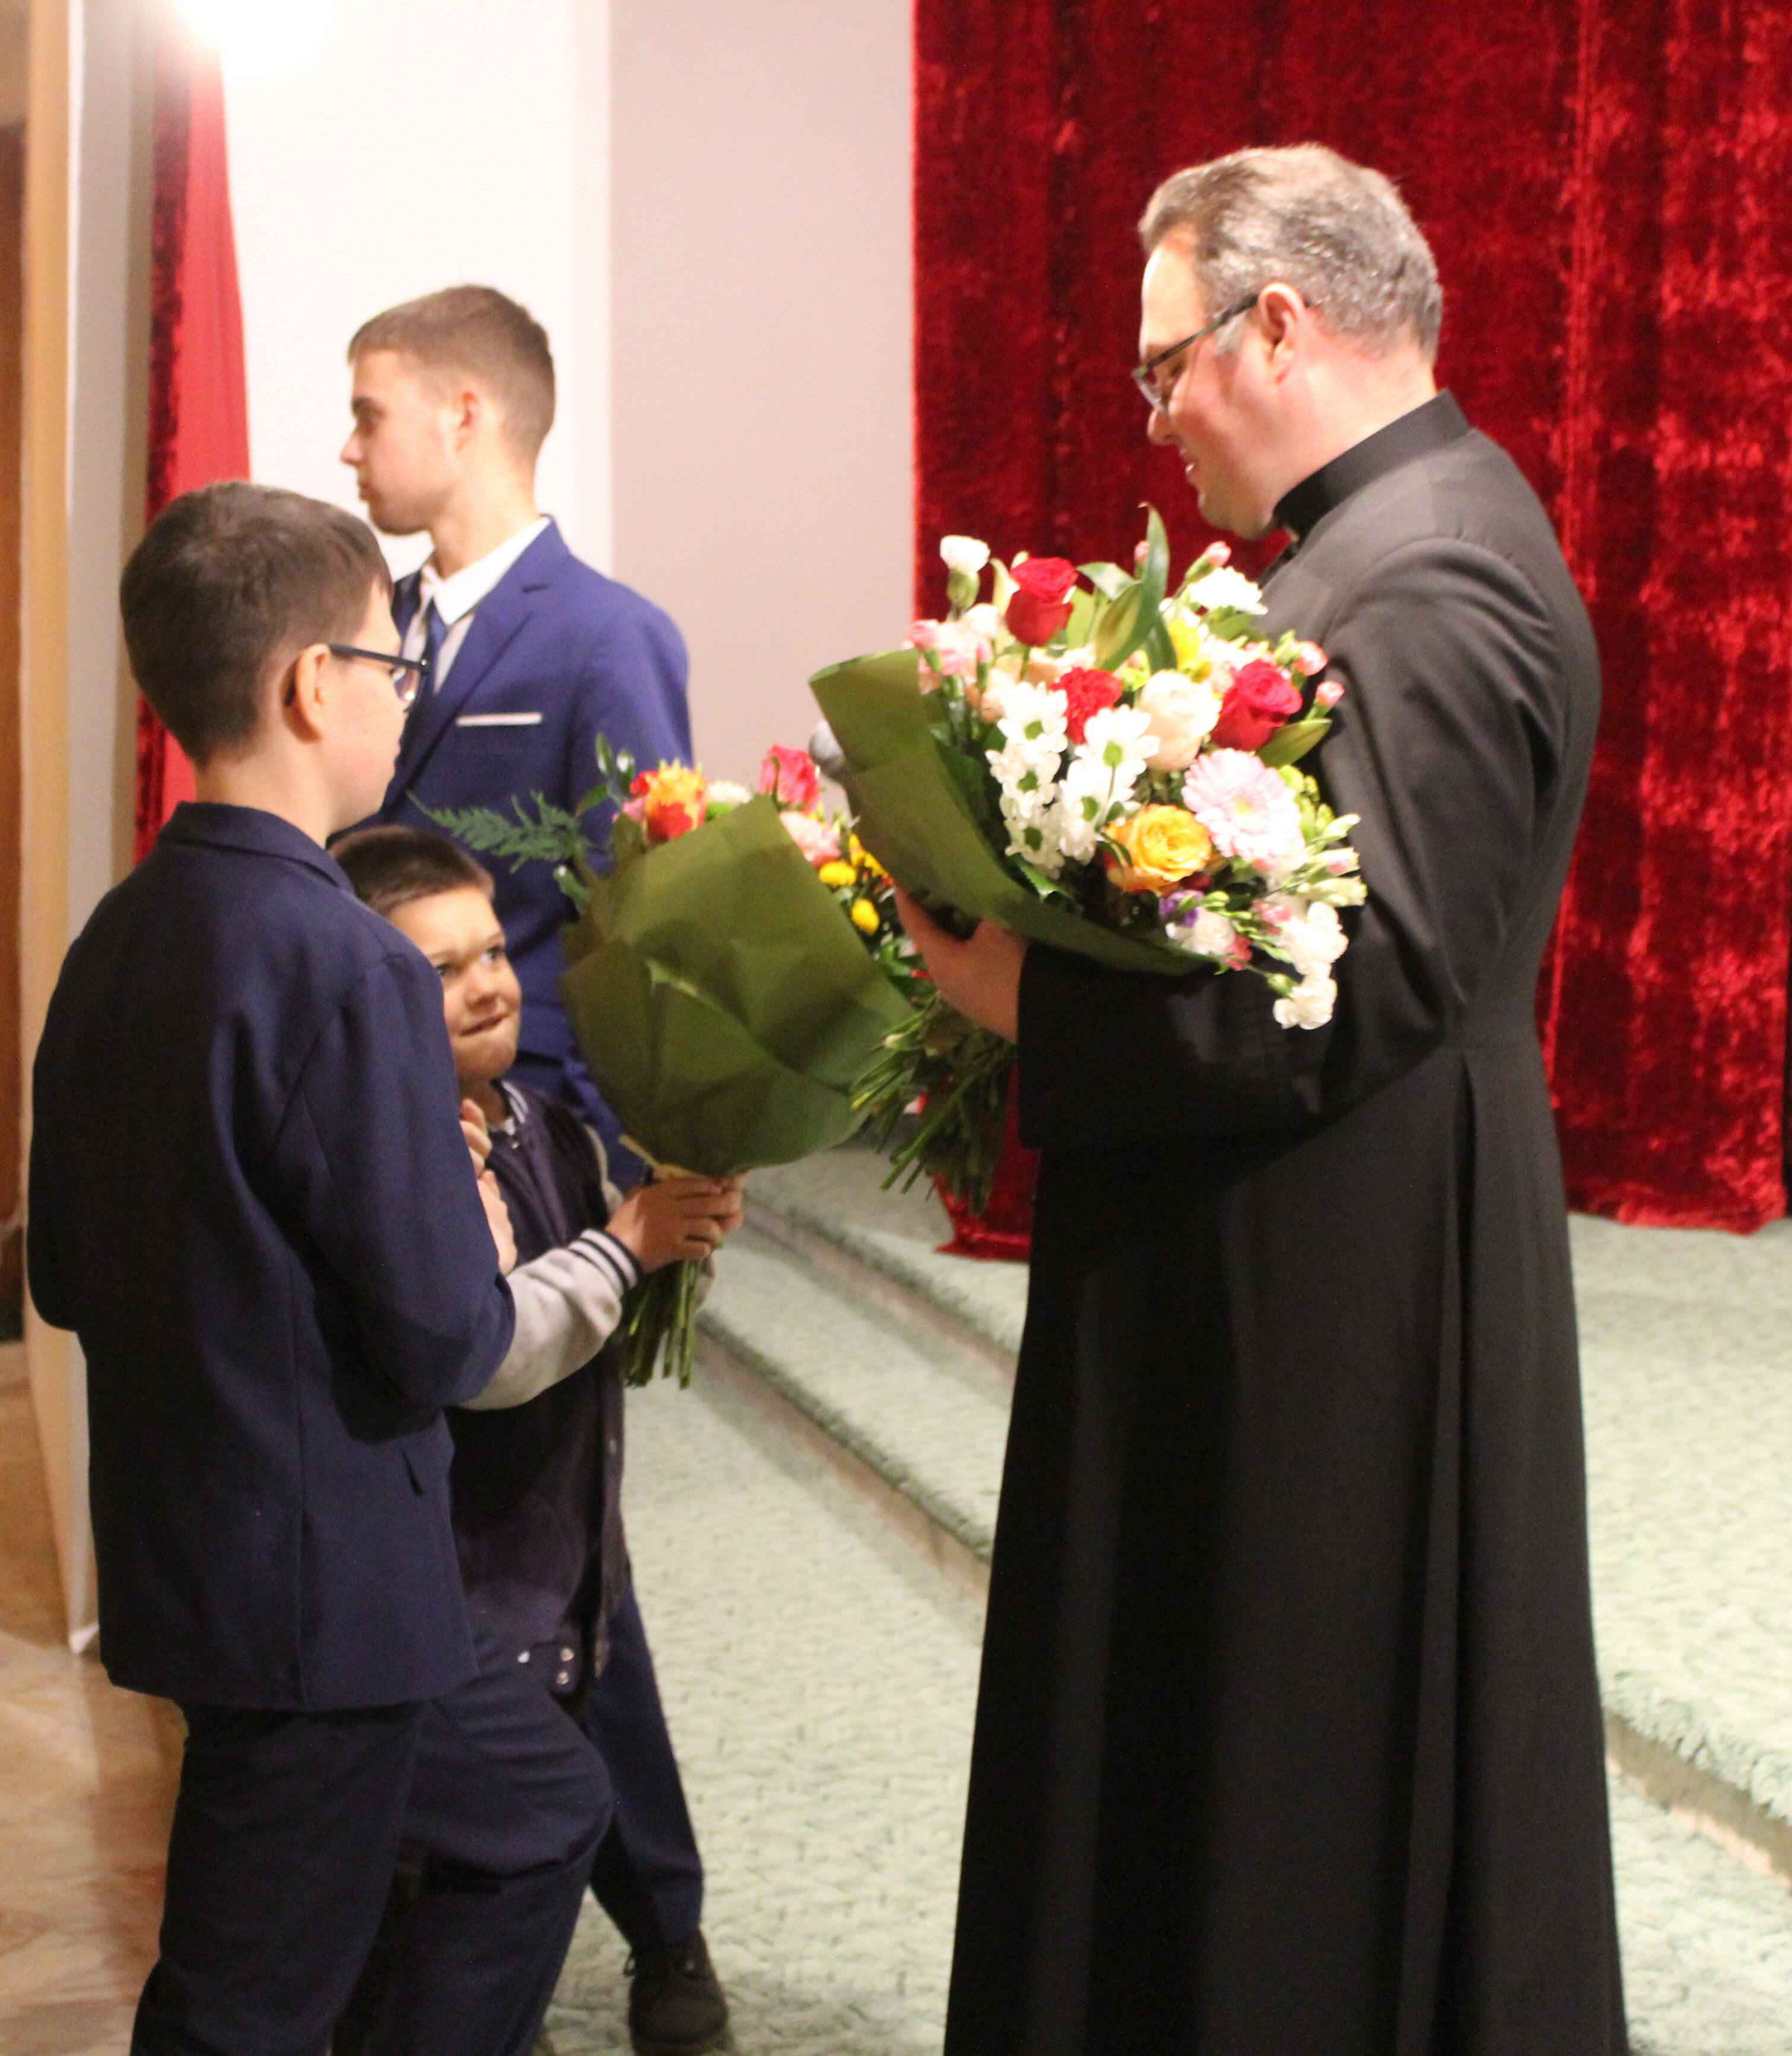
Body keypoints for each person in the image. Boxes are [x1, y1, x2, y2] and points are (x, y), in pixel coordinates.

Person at [896, 145, 1630, 2051]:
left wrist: (1024, 995)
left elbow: (1364, 981)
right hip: (1291, 1230)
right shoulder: (1370, 549)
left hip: (1346, 1268)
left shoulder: (1436, 570)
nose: (1157, 421)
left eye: (1167, 366)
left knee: (1304, 1749)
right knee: (1224, 1728)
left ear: (1279, 325)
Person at [27, 481, 611, 2056]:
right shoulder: (346, 961)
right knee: (247, 2003)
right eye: (392, 666)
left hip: (200, 1545)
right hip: (324, 1591)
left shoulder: (116, 936)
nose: (402, 699)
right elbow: (440, 1337)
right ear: (310, 685)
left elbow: (66, 1271)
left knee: (536, 1809)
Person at [334, 826, 741, 2056]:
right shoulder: (394, 1160)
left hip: (565, 1550)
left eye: (495, 952)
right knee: (445, 1867)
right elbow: (485, 1349)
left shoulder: (549, 1126)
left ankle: (630, 1952)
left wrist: (674, 1233)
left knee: (576, 1773)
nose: (488, 986)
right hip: (460, 1581)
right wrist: (626, 1247)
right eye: (441, 970)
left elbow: (596, 1293)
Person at [337, 286, 694, 1151]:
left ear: (463, 416)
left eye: (369, 416)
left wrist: (615, 1160)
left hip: (530, 1105)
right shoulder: (361, 625)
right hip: (359, 1091)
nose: (349, 449)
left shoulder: (607, 637)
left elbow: (634, 929)